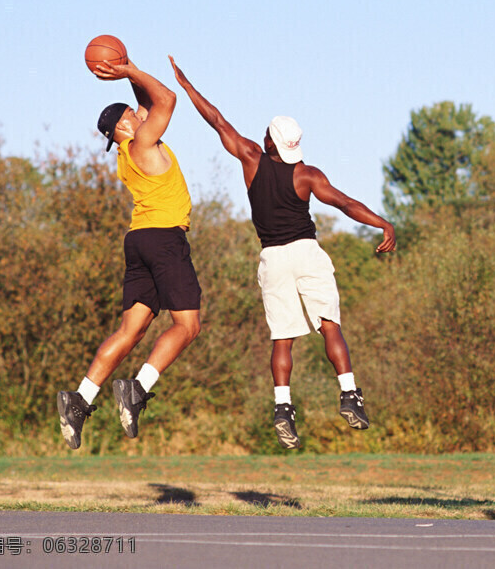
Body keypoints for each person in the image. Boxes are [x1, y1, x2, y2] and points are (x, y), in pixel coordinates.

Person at [168, 56, 395, 449]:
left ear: (269, 140)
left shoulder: (252, 159)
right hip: (307, 252)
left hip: (272, 258)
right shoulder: (307, 174)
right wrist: (382, 223)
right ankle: (349, 395)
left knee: (283, 340)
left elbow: (218, 121)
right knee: (329, 325)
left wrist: (187, 87)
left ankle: (283, 408)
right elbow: (344, 203)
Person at [57, 56, 203, 450]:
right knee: (187, 326)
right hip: (164, 240)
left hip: (138, 240)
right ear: (125, 126)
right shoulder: (142, 141)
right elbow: (167, 99)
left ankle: (80, 398)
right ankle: (138, 388)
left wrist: (127, 73)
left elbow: (146, 103)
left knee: (131, 329)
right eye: (134, 115)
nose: (143, 115)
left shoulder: (125, 151)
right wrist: (131, 69)